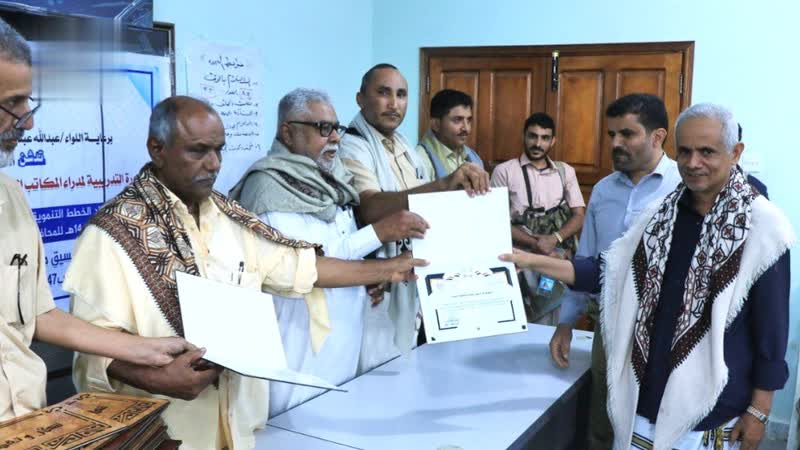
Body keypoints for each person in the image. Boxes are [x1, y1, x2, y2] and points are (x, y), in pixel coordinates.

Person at [66, 96, 426, 449]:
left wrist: (390, 269)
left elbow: (301, 268)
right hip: (169, 432)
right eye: (198, 151)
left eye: (218, 150)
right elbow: (91, 349)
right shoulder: (112, 234)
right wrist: (156, 377)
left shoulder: (229, 218)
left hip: (240, 430)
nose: (213, 164)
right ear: (157, 149)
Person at [503, 102, 792, 450]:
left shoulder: (764, 227)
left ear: (735, 152)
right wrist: (532, 261)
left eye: (707, 152)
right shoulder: (659, 217)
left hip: (713, 411)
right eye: (684, 151)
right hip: (645, 397)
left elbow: (771, 328)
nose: (692, 163)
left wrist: (759, 410)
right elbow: (608, 271)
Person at [0, 17, 191, 422]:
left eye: (28, 102)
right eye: (13, 104)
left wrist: (143, 349)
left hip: (25, 420)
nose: (28, 121)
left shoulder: (11, 197)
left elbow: (38, 314)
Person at [228, 88, 429, 417]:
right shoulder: (269, 188)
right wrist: (382, 254)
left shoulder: (332, 183)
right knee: (294, 424)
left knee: (337, 417)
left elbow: (340, 247)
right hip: (298, 337)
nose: (335, 137)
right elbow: (307, 265)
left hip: (344, 334)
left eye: (336, 127)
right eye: (323, 128)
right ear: (288, 132)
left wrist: (369, 267)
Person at [547, 94, 682, 449]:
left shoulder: (681, 188)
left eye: (627, 134)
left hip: (665, 331)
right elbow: (587, 261)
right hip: (609, 325)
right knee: (602, 422)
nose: (616, 143)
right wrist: (566, 322)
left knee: (655, 424)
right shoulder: (604, 190)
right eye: (612, 134)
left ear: (657, 137)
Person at [339, 63, 489, 369]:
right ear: (360, 98)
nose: (394, 104)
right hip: (372, 278)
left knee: (406, 362)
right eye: (384, 93)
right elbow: (371, 208)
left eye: (401, 95)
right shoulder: (353, 145)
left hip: (408, 271)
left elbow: (422, 207)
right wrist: (444, 185)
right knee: (375, 369)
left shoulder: (402, 144)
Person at [491, 112, 584, 257]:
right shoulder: (504, 171)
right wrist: (536, 244)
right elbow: (496, 221)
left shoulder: (566, 171)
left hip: (559, 255)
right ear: (524, 136)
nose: (538, 144)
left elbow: (579, 215)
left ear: (553, 141)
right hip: (519, 255)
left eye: (545, 138)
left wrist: (554, 239)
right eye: (532, 136)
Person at [416, 88, 483, 179]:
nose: (466, 128)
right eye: (458, 120)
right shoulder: (421, 158)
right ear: (436, 124)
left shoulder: (473, 156)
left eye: (469, 120)